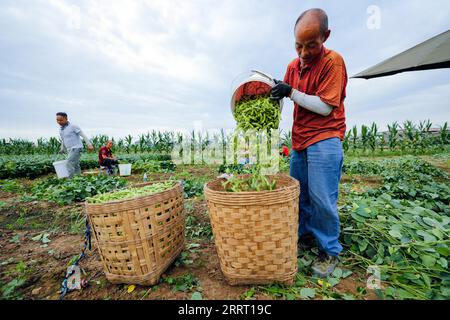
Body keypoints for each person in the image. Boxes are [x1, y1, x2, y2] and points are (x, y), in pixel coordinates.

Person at [270, 8, 348, 277]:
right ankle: (303, 238)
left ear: (325, 36)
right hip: (300, 139)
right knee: (299, 194)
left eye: (311, 45)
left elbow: (326, 107)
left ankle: (329, 251)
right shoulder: (293, 66)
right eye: (298, 45)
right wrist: (273, 95)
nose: (303, 52)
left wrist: (290, 91)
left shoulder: (332, 62)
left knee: (322, 198)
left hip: (325, 137)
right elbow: (286, 96)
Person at [56, 112, 94, 178]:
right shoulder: (61, 130)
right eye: (57, 120)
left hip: (76, 148)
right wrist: (62, 148)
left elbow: (83, 135)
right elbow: (63, 140)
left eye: (61, 120)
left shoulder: (73, 126)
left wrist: (89, 144)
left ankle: (70, 179)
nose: (59, 122)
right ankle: (78, 178)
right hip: (69, 149)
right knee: (75, 164)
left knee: (69, 163)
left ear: (66, 118)